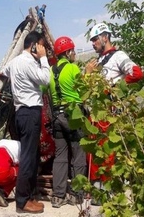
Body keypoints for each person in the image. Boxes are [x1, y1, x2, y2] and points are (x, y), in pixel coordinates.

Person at [85, 23, 144, 191]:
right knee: (95, 148)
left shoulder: (118, 56)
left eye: (95, 39)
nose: (93, 43)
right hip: (98, 110)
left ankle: (108, 187)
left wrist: (114, 89)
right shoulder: (99, 61)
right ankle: (98, 188)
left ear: (105, 37)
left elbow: (136, 73)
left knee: (108, 148)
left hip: (110, 109)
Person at [0, 30, 50, 214]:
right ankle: (22, 202)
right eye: (42, 45)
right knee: (28, 158)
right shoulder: (28, 62)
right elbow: (46, 79)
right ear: (35, 45)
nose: (43, 49)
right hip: (29, 112)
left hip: (22, 113)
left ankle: (27, 196)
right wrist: (43, 59)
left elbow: (3, 72)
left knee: (31, 155)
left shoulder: (14, 63)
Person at [48, 36, 87, 208]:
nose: (74, 54)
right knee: (78, 155)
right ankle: (76, 195)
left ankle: (58, 196)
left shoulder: (50, 71)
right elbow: (84, 88)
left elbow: (43, 89)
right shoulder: (72, 68)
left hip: (57, 117)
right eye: (73, 51)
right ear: (68, 52)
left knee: (60, 157)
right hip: (74, 115)